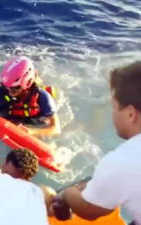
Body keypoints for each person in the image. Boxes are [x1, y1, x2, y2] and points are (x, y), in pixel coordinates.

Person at [53, 61, 141, 224]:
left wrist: (68, 194)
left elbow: (88, 210)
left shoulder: (121, 161)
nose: (113, 114)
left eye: (114, 107)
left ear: (131, 114)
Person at [0, 56, 61, 137]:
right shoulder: (0, 91)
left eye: (15, 88)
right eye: (6, 86)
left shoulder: (42, 96)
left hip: (32, 122)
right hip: (8, 117)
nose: (10, 91)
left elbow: (56, 128)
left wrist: (31, 131)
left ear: (27, 83)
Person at [2, 148, 71, 220]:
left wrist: (61, 203)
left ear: (27, 180)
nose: (8, 181)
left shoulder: (40, 195)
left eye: (16, 180)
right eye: (6, 175)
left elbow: (62, 215)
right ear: (4, 164)